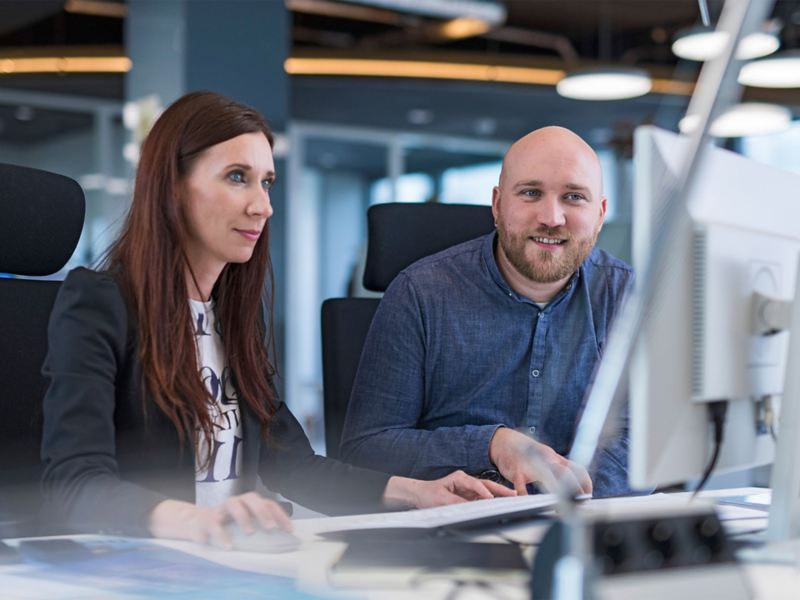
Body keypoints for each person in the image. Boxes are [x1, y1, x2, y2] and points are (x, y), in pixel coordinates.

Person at [40, 91, 512, 547]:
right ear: (174, 187)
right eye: (236, 177)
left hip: (229, 562)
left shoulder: (233, 319)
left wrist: (419, 493)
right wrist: (197, 521)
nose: (262, 206)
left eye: (266, 182)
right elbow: (76, 482)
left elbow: (294, 466)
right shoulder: (101, 302)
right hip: (145, 567)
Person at [340, 126, 634, 498]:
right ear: (497, 204)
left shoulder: (625, 296)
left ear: (600, 213)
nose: (552, 217)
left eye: (574, 197)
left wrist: (553, 499)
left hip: (583, 534)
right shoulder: (421, 294)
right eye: (531, 193)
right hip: (450, 534)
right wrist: (490, 444)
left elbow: (642, 445)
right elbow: (366, 449)